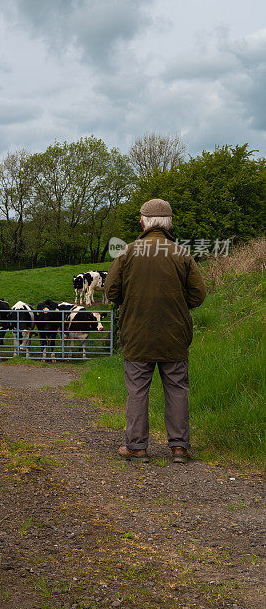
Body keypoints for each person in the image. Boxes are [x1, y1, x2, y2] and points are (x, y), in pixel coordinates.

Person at [104, 198, 207, 464]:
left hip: (137, 335)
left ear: (143, 222)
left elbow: (111, 292)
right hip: (175, 336)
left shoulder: (126, 252)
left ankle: (137, 448)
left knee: (137, 390)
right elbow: (198, 296)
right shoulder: (181, 253)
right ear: (169, 222)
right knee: (177, 389)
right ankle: (179, 448)